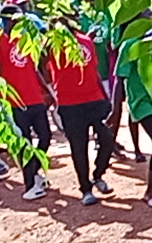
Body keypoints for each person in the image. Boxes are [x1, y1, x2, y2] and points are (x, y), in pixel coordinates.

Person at [112, 11, 152, 212]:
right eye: (146, 18)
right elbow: (119, 79)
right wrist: (116, 109)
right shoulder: (130, 46)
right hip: (142, 102)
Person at [51, 19, 119, 206]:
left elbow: (94, 69)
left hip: (94, 99)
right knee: (78, 147)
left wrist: (105, 96)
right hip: (69, 103)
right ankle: (85, 189)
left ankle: (98, 175)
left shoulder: (85, 40)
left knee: (107, 139)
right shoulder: (51, 45)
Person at [0, 4, 54, 201]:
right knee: (24, 142)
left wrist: (46, 89)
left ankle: (34, 171)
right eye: (15, 19)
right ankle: (30, 185)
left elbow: (33, 67)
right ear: (8, 20)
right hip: (15, 101)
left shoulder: (24, 39)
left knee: (45, 136)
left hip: (34, 97)